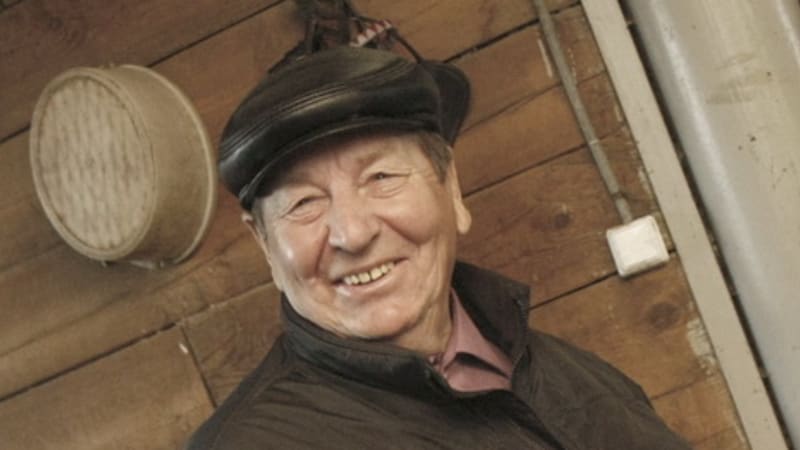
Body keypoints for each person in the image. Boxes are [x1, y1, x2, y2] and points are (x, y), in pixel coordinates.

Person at [185, 45, 692, 449]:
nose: (352, 233)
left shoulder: (562, 368)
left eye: (381, 177)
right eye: (304, 204)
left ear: (451, 188)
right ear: (266, 246)